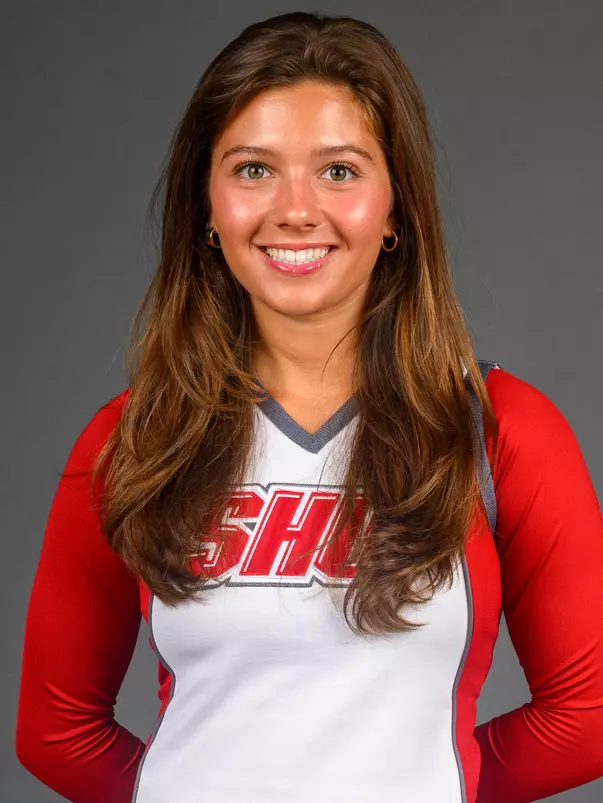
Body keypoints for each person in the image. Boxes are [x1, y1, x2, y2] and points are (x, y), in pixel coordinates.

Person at [15, 10, 603, 803]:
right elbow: (54, 730)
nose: (295, 209)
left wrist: (427, 785)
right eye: (253, 169)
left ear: (394, 208)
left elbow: (588, 714)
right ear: (207, 208)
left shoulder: (500, 432)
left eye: (339, 170)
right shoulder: (133, 438)